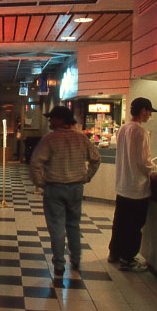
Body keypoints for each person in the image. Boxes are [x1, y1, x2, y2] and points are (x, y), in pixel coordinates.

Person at [29, 106, 101, 277]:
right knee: (73, 225)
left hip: (54, 188)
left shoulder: (49, 140)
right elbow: (96, 159)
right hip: (76, 187)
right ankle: (75, 260)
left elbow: (35, 163)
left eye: (52, 118)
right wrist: (86, 177)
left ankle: (59, 264)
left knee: (57, 227)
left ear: (61, 120)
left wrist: (41, 183)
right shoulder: (81, 138)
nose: (50, 121)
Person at [108, 97, 157, 272]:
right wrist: (156, 170)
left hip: (123, 185)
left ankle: (114, 253)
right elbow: (144, 162)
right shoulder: (141, 132)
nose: (150, 115)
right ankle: (128, 259)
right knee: (134, 226)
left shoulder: (122, 129)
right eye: (149, 111)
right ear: (143, 110)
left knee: (120, 222)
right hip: (137, 188)